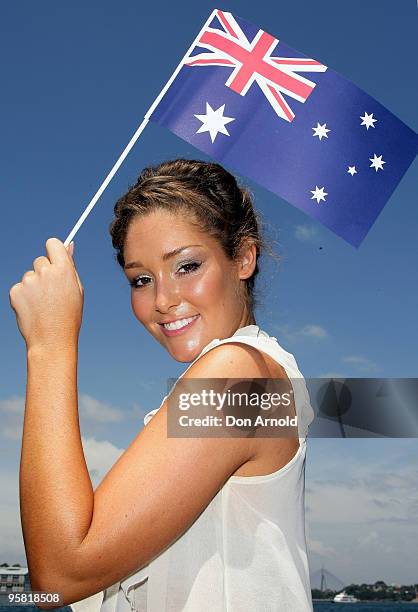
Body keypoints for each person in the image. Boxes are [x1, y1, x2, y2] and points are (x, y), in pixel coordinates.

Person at [9, 158, 315, 612]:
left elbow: (58, 575)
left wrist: (50, 344)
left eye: (187, 266)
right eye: (142, 280)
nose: (164, 300)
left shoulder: (237, 374)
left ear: (244, 258)